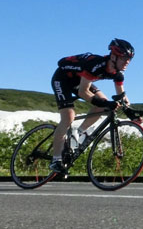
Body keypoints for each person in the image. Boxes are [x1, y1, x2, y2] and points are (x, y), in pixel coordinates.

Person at [49, 38, 135, 174]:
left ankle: (79, 133)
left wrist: (132, 114)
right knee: (69, 116)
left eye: (129, 59)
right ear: (113, 56)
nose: (127, 62)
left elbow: (122, 96)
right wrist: (106, 103)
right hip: (62, 79)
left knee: (104, 103)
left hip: (80, 79)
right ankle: (56, 160)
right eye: (124, 58)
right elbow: (83, 92)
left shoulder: (118, 73)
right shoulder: (96, 65)